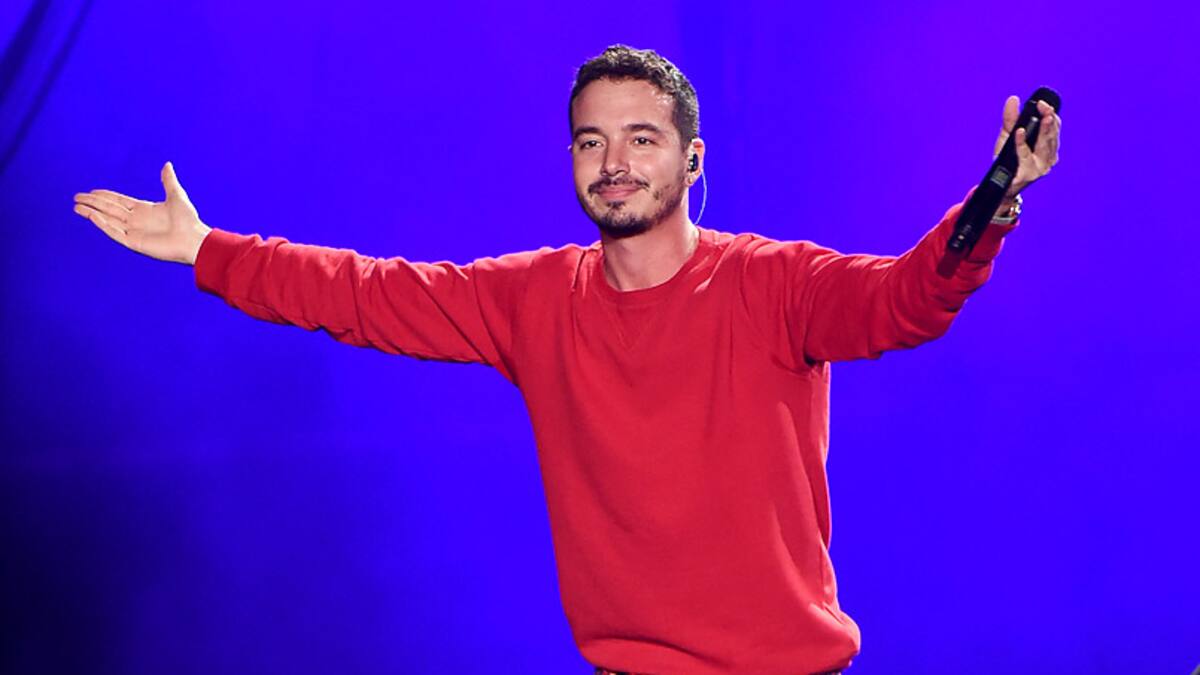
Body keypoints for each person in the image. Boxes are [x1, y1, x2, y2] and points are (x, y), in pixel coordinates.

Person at [72, 45, 1060, 675]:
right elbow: (364, 293)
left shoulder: (774, 283)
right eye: (592, 142)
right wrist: (209, 250)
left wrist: (995, 198)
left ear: (694, 160)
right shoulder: (534, 297)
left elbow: (904, 299)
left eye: (641, 138)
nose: (614, 163)